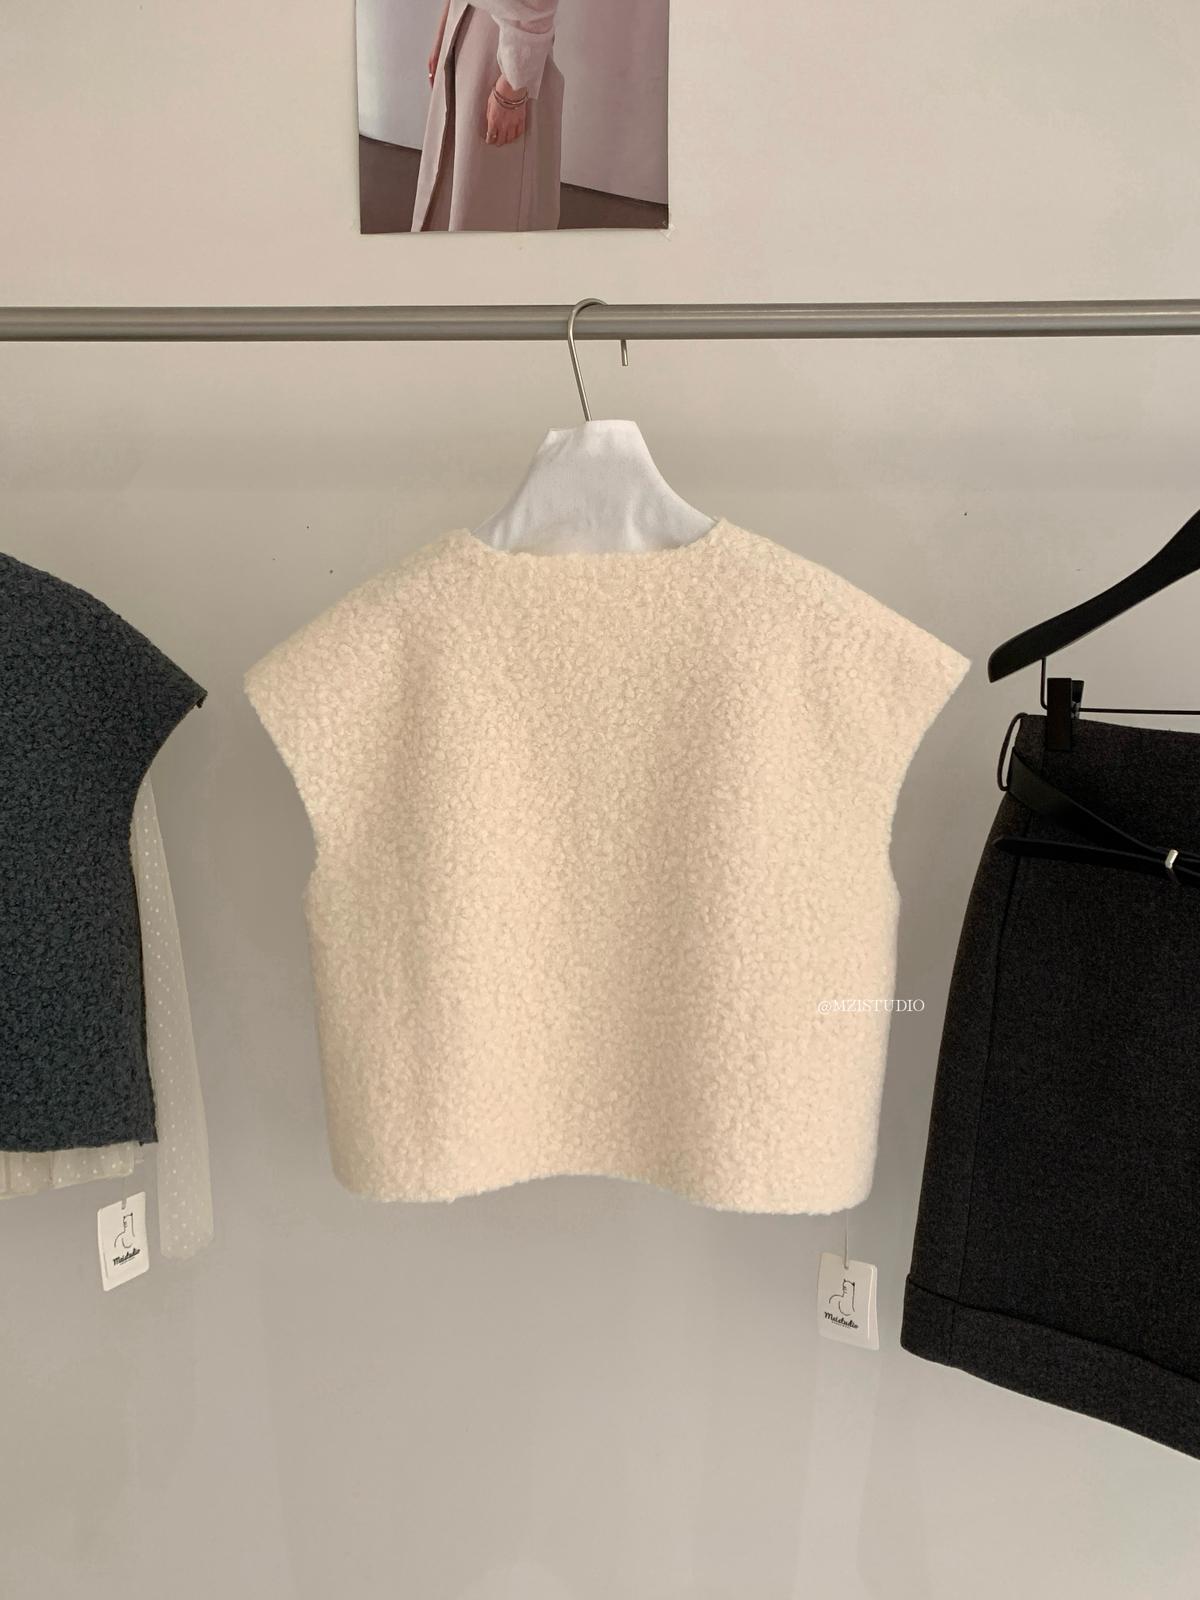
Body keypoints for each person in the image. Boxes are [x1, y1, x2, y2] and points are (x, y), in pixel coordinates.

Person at [412, 0, 564, 232]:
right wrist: (444, 29)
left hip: (504, 39)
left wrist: (513, 84)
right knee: (454, 176)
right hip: (469, 19)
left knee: (491, 194)